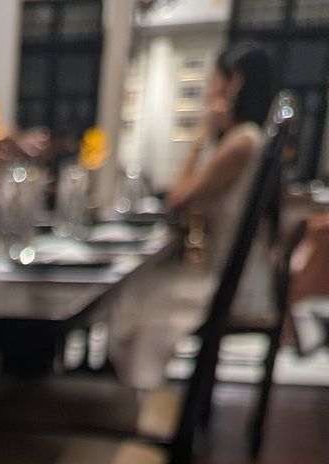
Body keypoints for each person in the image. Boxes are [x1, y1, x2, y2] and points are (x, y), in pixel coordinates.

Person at [109, 42, 276, 388]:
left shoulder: (242, 141)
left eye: (214, 81)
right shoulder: (250, 139)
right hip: (234, 275)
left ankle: (137, 398)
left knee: (135, 300)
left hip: (233, 285)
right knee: (136, 293)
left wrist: (202, 135)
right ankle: (134, 394)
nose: (208, 90)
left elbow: (177, 199)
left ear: (235, 83)